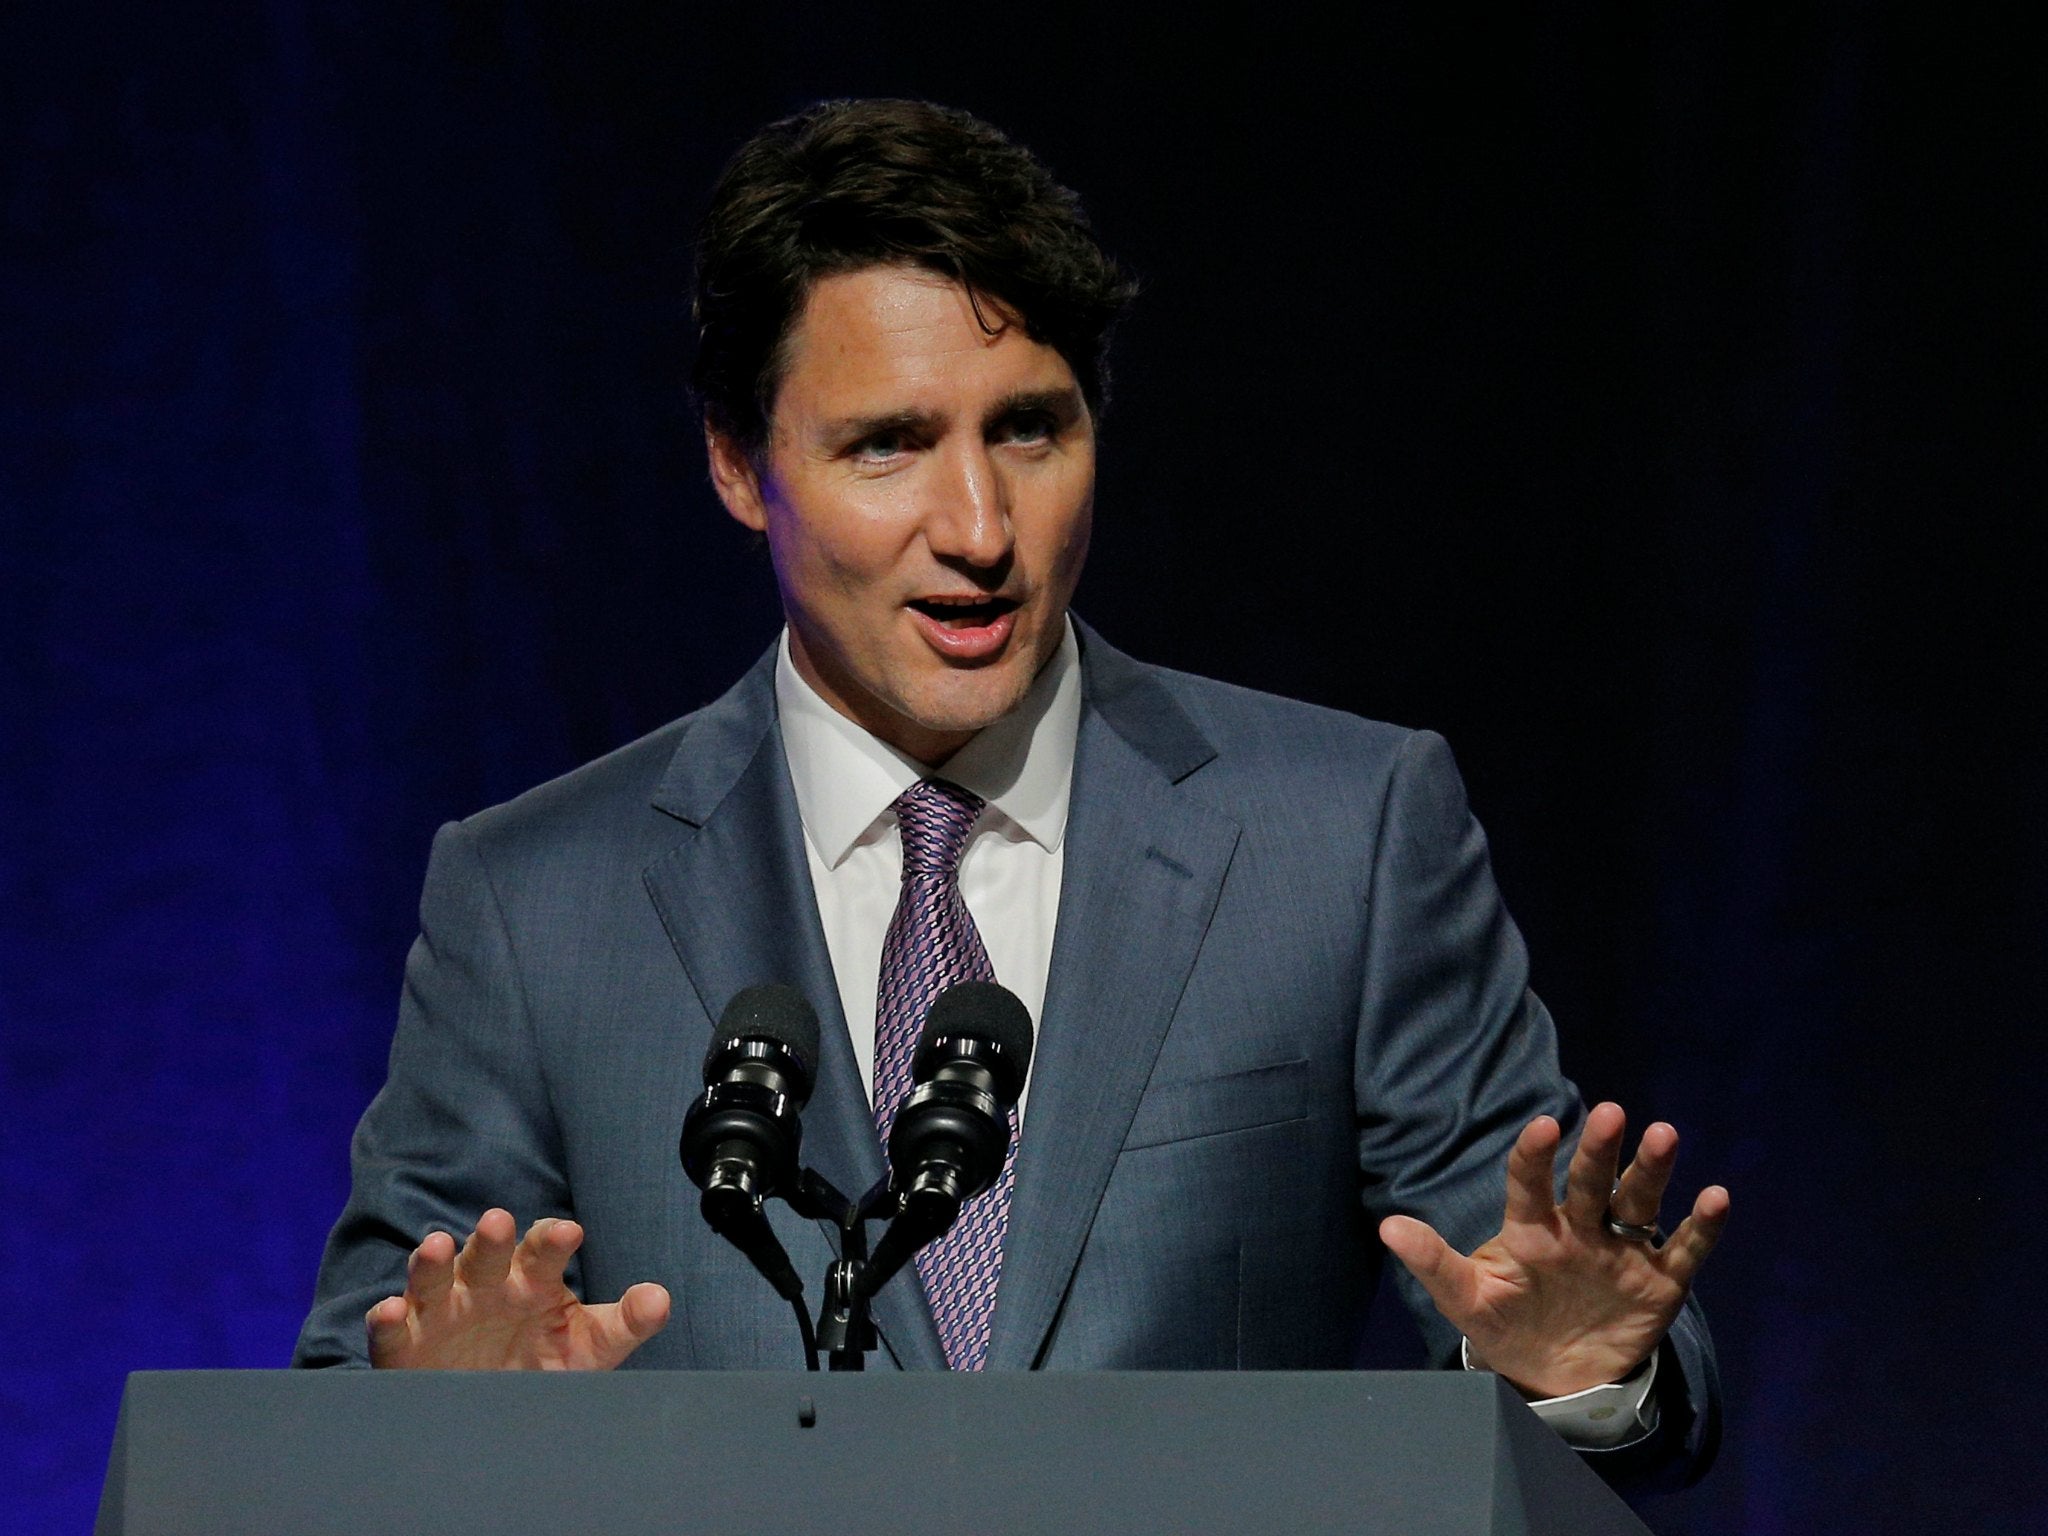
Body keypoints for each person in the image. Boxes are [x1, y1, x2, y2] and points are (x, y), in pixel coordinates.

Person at [295, 98, 1728, 1486]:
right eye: (890, 445)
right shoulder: (536, 903)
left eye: (1029, 431)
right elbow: (357, 1403)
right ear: (741, 466)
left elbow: (1575, 1347)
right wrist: (436, 1432)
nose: (979, 529)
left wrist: (1578, 1376)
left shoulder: (1340, 839)